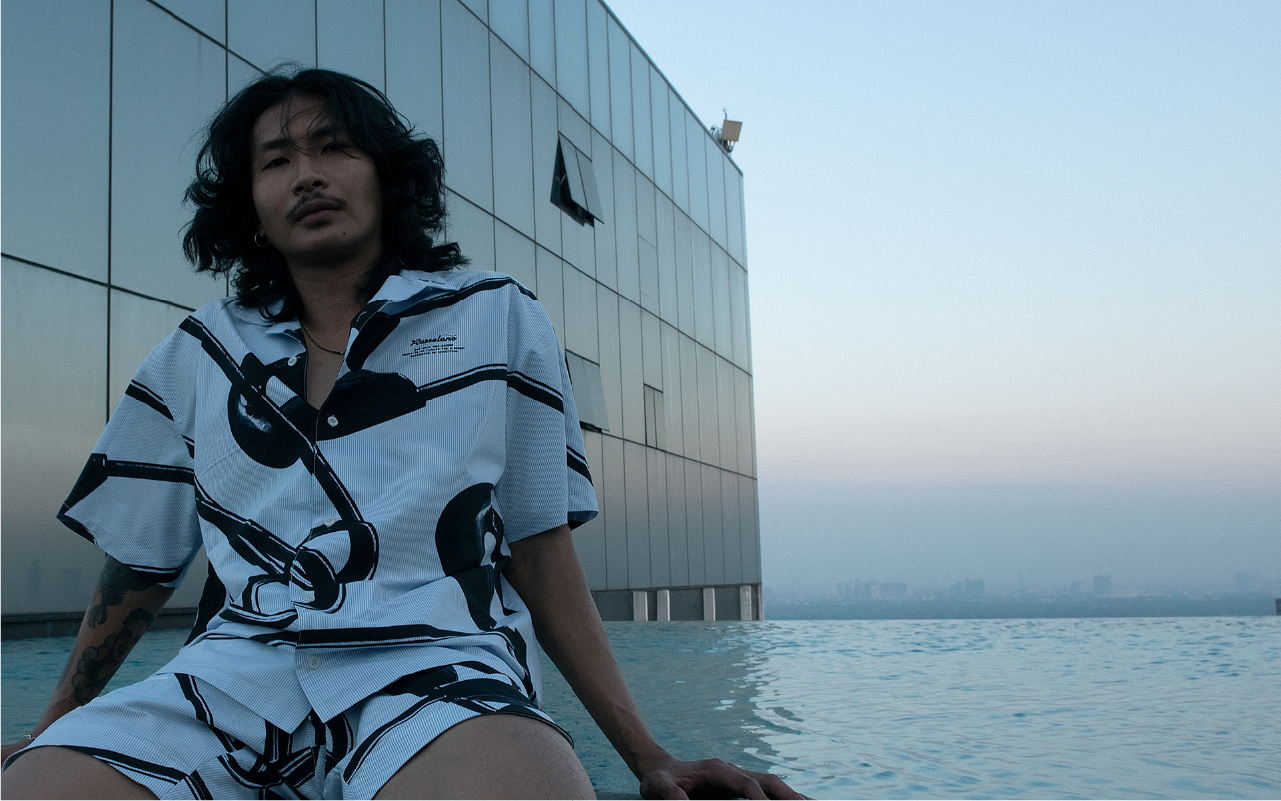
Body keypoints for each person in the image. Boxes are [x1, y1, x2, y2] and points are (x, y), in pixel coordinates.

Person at [0, 69, 804, 800]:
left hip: (439, 677)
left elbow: (539, 546)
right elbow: (138, 563)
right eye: (276, 160)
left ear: (386, 175)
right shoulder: (200, 349)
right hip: (230, 679)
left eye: (333, 147)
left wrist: (645, 753)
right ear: (250, 204)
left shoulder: (496, 316)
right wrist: (52, 729)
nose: (306, 174)